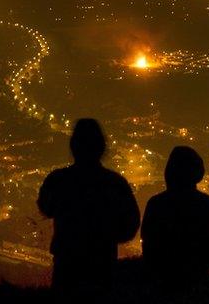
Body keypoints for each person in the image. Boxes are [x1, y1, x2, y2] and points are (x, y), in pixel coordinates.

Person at [37, 119, 140, 293]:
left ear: (73, 147)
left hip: (67, 267)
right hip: (103, 265)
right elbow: (130, 226)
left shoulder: (58, 180)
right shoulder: (115, 184)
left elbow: (45, 207)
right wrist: (107, 235)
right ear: (101, 148)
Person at [141, 146, 209, 288]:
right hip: (199, 283)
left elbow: (149, 249)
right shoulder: (208, 205)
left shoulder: (156, 204)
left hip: (163, 284)